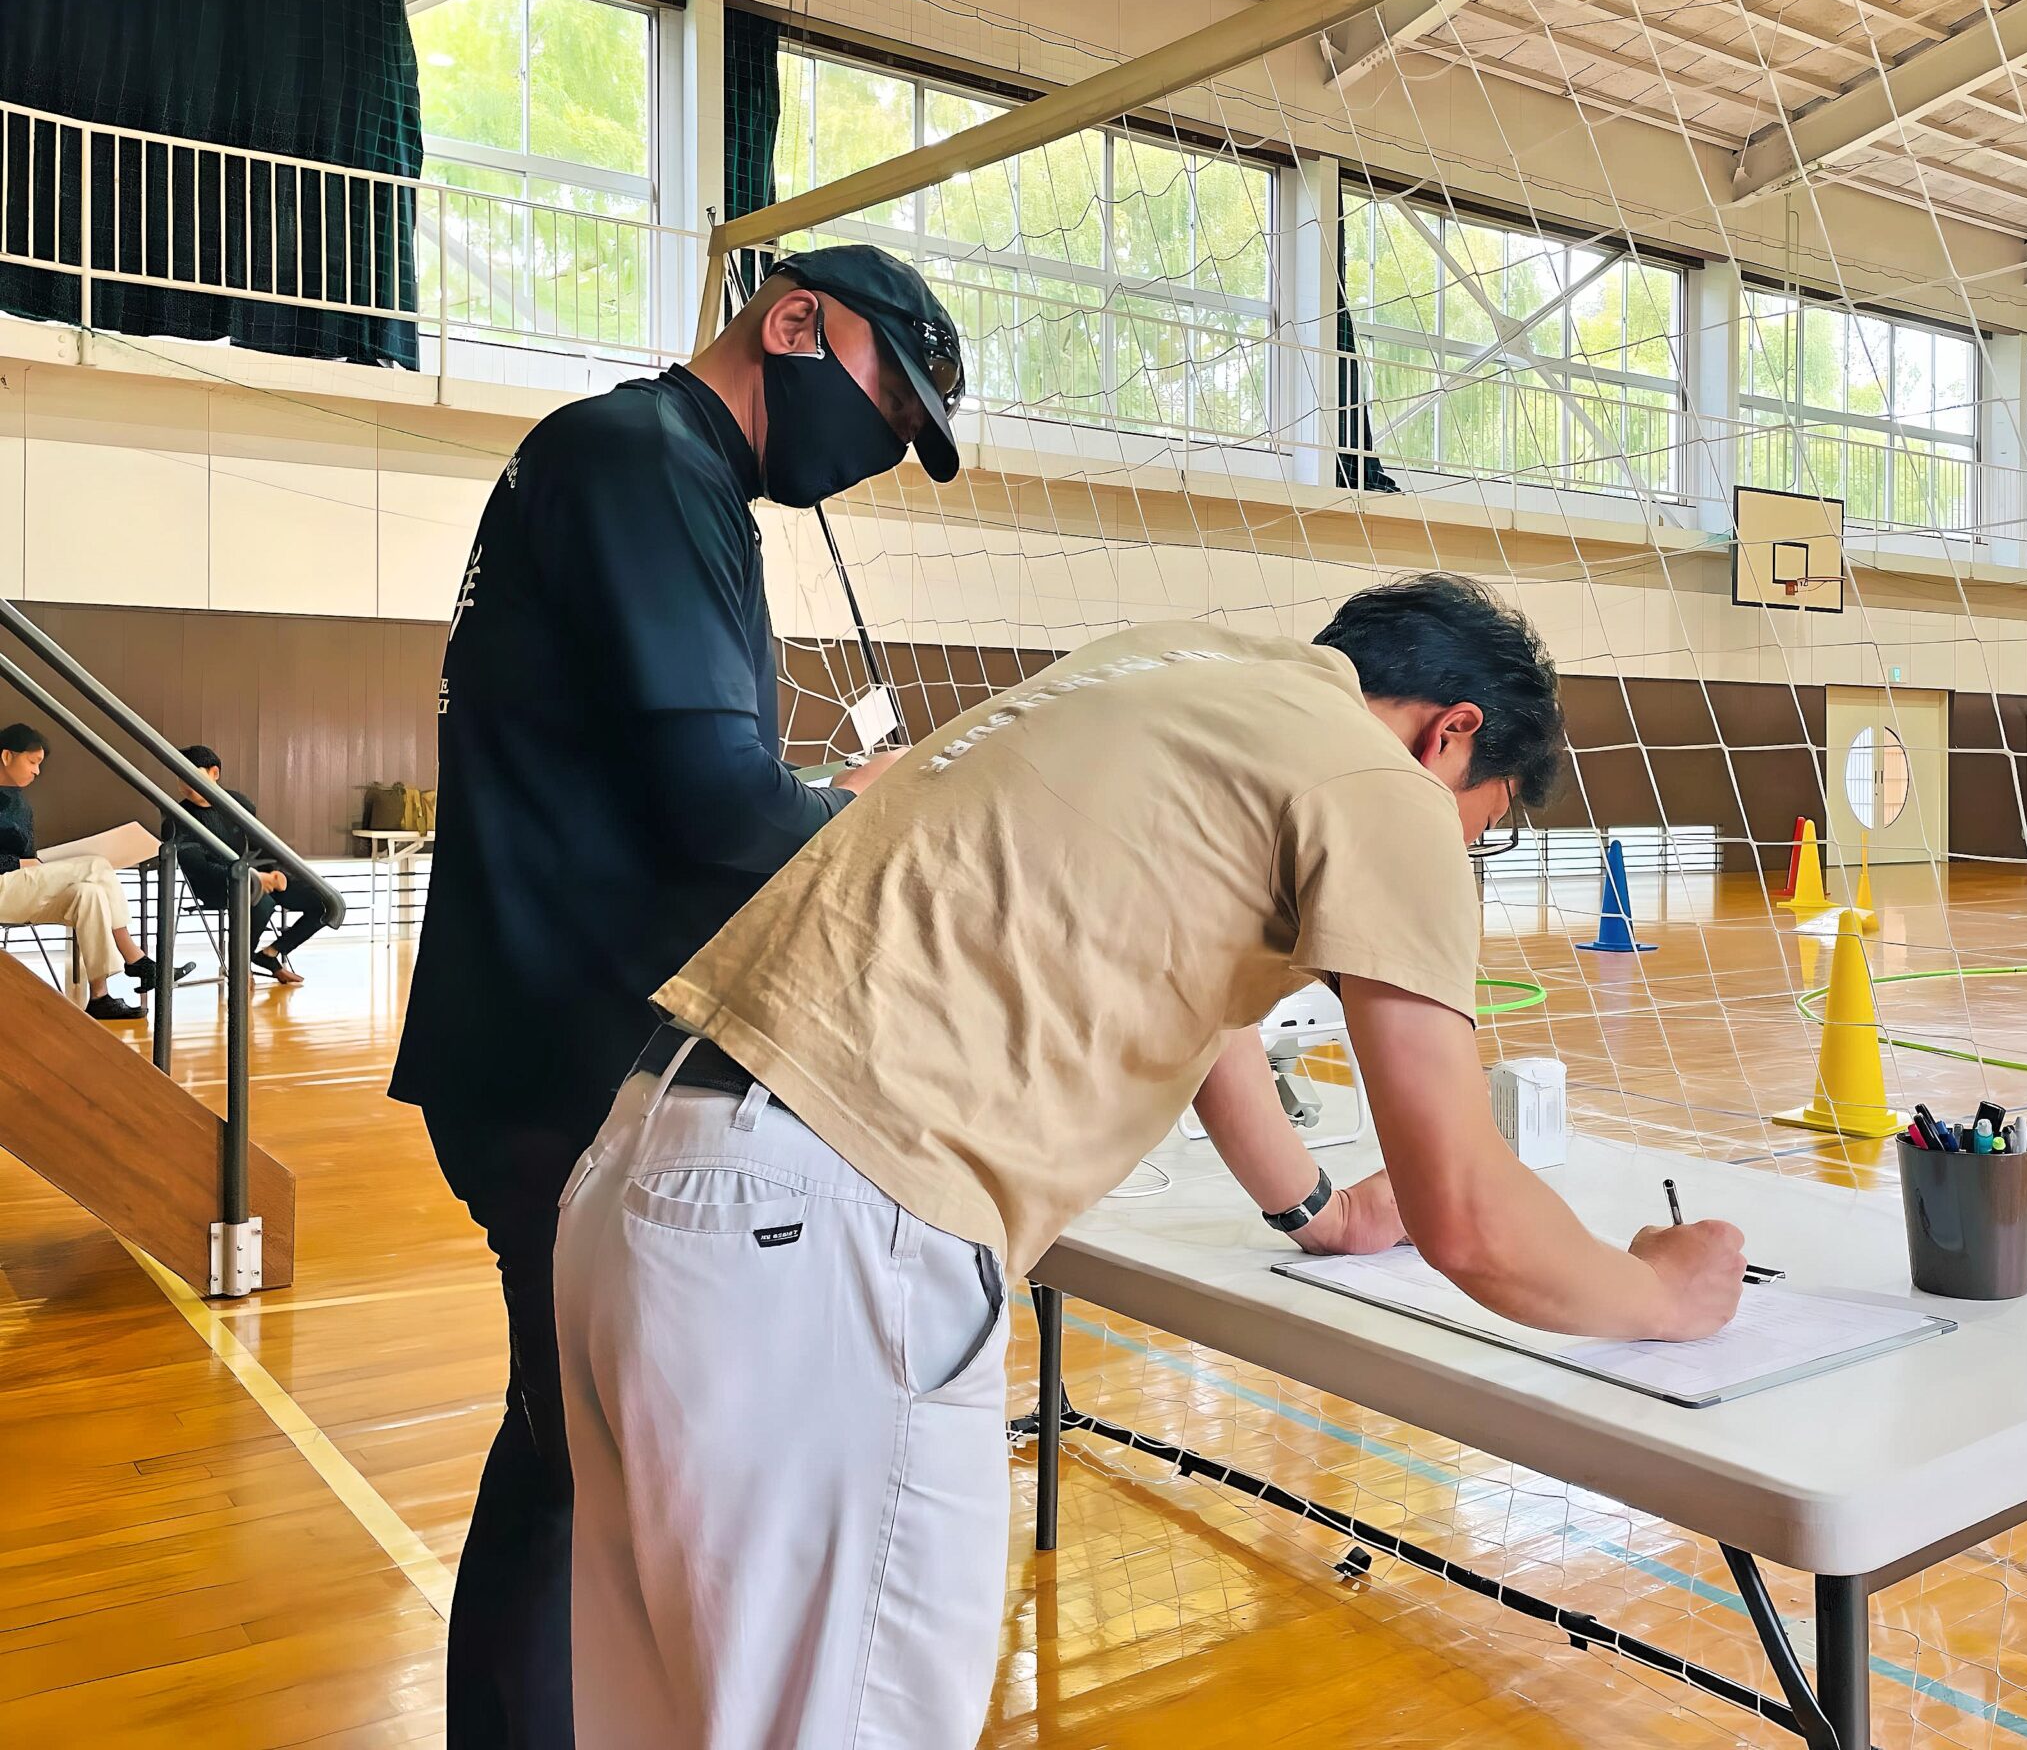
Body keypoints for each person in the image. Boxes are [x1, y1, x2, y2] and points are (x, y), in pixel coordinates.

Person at [552, 574, 1749, 1750]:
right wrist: (1661, 1291)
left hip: (648, 1172)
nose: (1461, 852)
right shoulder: (1381, 784)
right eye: (1478, 826)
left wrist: (1317, 1210)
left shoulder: (1172, 667)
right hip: (830, 1228)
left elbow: (1208, 1001)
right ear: (1452, 736)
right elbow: (1469, 1219)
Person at [389, 244, 966, 1750]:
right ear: (792, 322)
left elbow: (687, 784)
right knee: (581, 1474)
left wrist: (826, 795)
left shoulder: (657, 474)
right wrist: (893, 825)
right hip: (566, 1054)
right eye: (882, 397)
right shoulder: (638, 459)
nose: (881, 443)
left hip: (551, 1039)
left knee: (569, 1461)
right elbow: (715, 806)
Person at [0, 723, 187, 1020]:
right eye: (32, 762)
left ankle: (100, 997)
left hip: (18, 890)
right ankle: (135, 958)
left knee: (90, 893)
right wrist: (22, 864)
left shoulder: (22, 805)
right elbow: (21, 864)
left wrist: (31, 863)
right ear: (7, 756)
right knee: (96, 865)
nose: (37, 772)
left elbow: (27, 859)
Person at [164, 745, 332, 983]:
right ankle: (241, 968)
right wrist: (248, 878)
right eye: (180, 776)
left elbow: (260, 845)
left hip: (254, 877)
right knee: (261, 901)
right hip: (216, 886)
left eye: (192, 774)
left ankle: (270, 954)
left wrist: (277, 873)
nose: (185, 783)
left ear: (214, 773)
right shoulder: (176, 817)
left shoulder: (238, 804)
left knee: (324, 903)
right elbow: (198, 868)